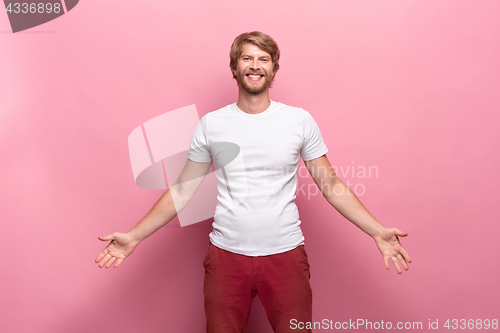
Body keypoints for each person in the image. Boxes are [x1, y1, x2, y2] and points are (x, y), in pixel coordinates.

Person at [95, 31, 412, 333]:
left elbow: (331, 184)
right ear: (234, 68)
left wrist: (377, 231)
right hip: (226, 256)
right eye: (247, 59)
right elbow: (183, 189)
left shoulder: (298, 121)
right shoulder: (212, 124)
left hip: (286, 254)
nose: (255, 66)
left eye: (263, 59)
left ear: (274, 68)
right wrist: (134, 237)